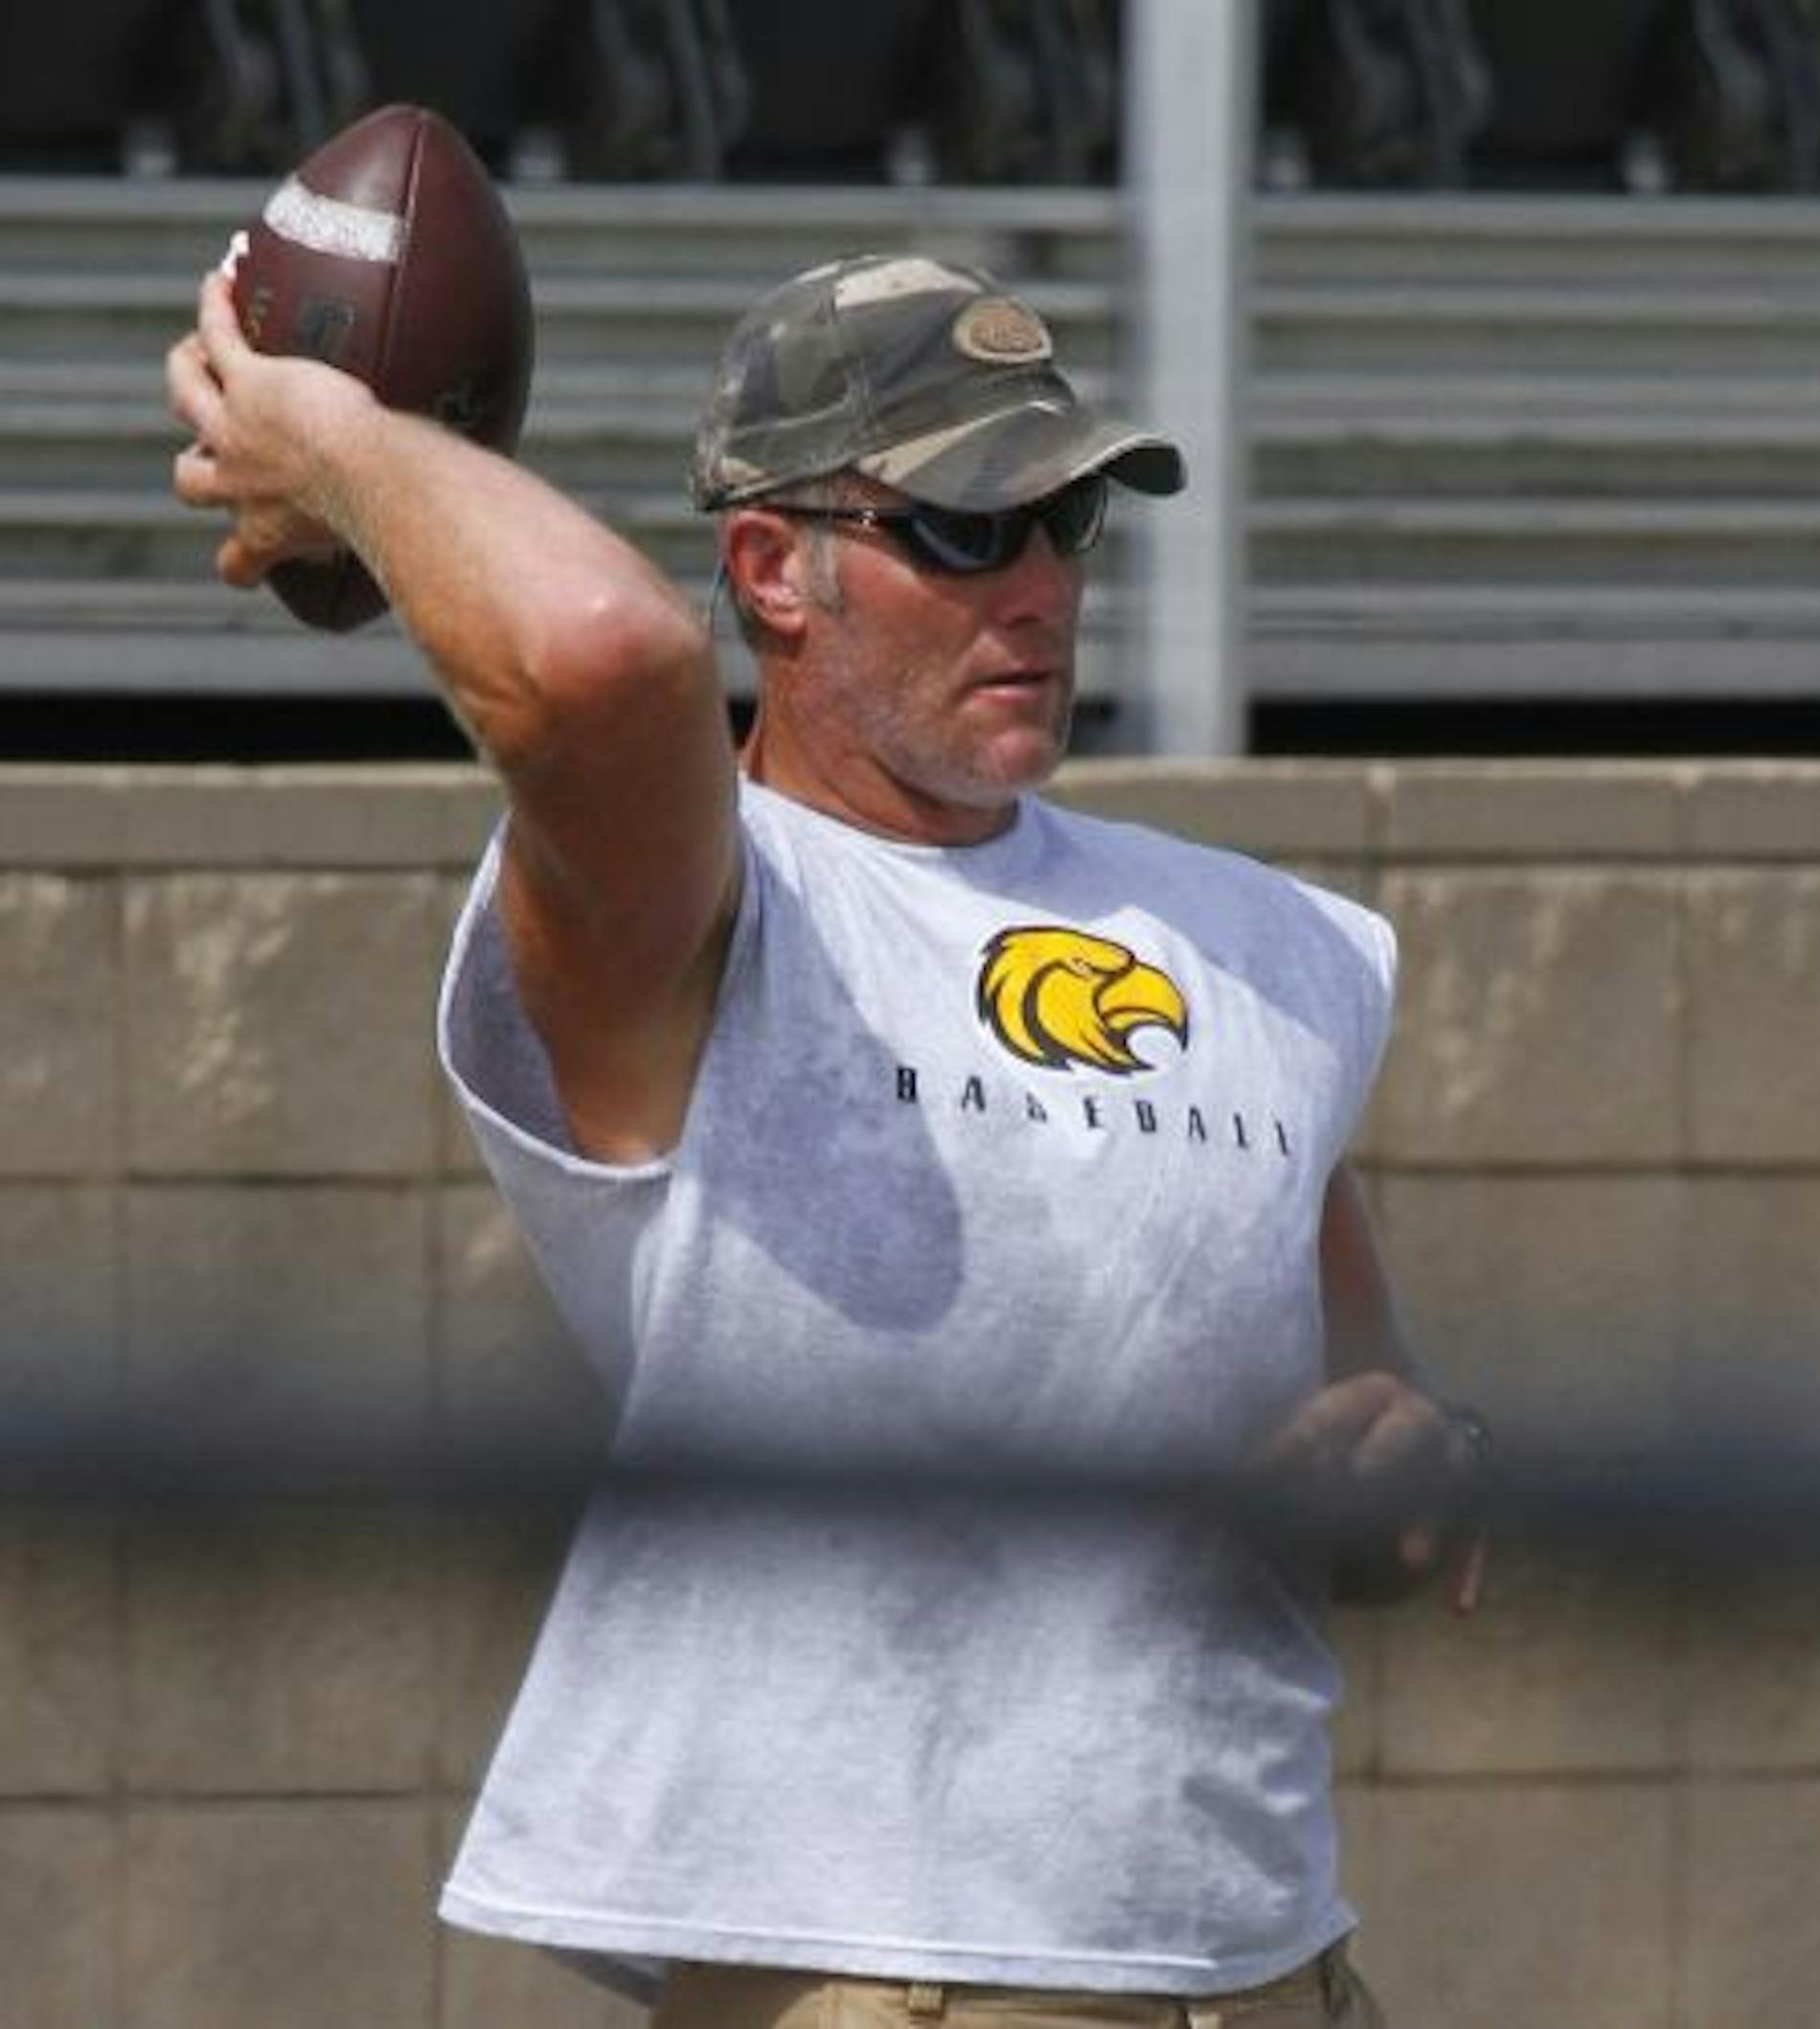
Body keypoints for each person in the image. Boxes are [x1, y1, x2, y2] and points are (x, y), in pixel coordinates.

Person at [166, 246, 1489, 2028]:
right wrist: (329, 437)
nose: (1035, 586)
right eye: (959, 527)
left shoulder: (1268, 947)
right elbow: (601, 656)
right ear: (772, 569)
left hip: (1280, 1971)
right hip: (892, 1989)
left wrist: (1410, 1468)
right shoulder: (711, 906)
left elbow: (1381, 1465)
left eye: (1068, 521)